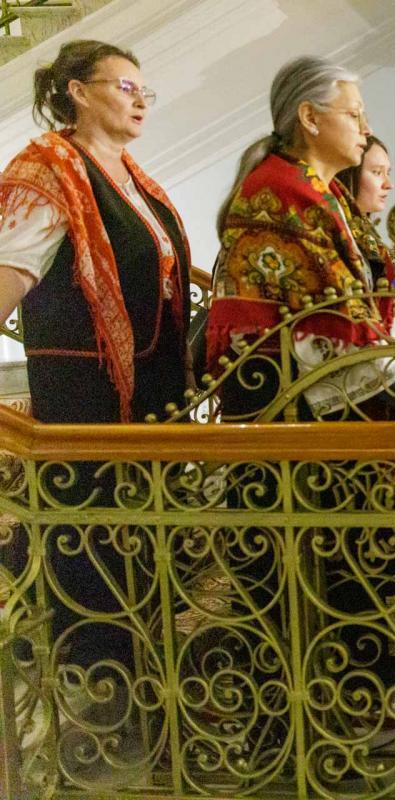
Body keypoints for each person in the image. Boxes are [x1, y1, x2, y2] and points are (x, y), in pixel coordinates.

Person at [0, 40, 192, 675]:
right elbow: (13, 270)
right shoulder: (49, 169)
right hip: (85, 392)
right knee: (91, 533)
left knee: (138, 537)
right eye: (125, 87)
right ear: (78, 93)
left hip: (149, 389)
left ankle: (139, 664)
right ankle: (95, 673)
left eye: (144, 91)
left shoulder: (133, 176)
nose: (140, 100)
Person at [206, 56, 395, 421]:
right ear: (309, 117)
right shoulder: (282, 192)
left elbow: (366, 310)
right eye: (354, 115)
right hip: (284, 405)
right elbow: (338, 315)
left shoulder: (326, 192)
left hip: (317, 399)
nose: (366, 128)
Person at [333, 134, 395, 414]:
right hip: (351, 391)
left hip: (389, 371)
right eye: (377, 173)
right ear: (348, 175)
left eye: (388, 173)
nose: (389, 184)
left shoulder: (367, 237)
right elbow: (362, 323)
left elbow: (384, 321)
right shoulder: (338, 237)